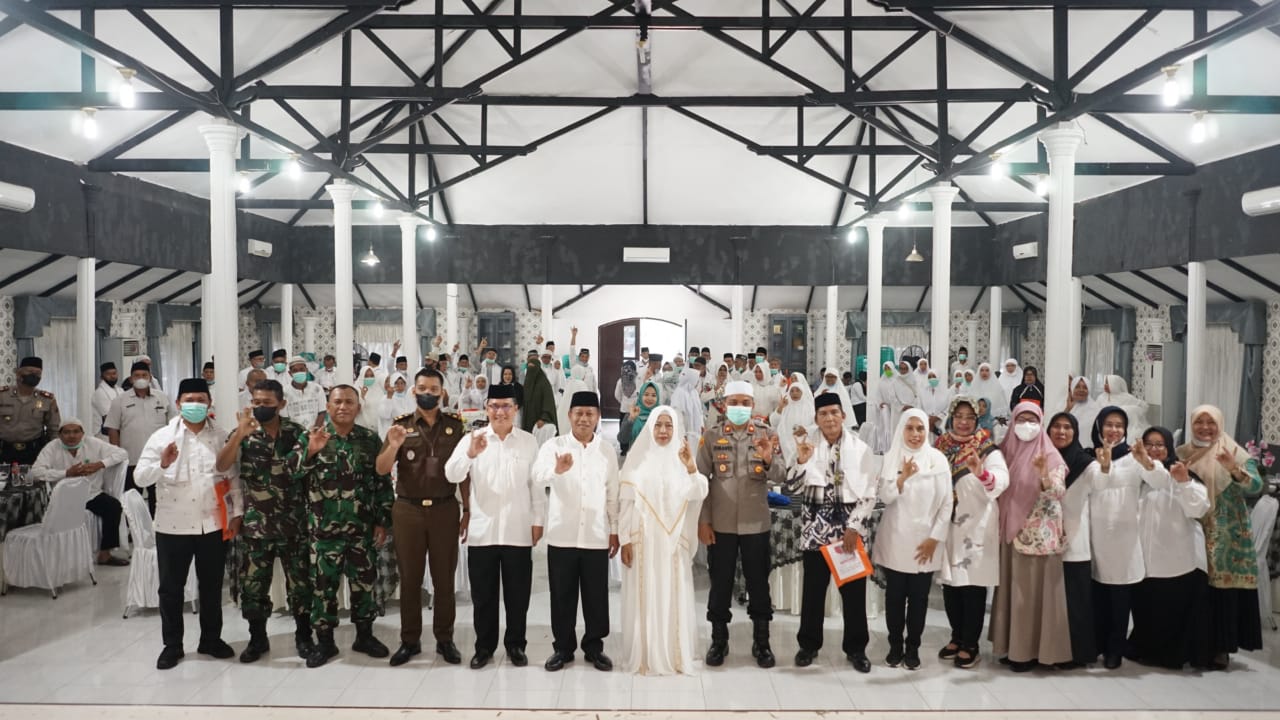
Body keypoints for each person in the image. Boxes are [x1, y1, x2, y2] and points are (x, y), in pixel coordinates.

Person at [134, 378, 242, 670]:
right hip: (173, 526)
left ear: (209, 403)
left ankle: (211, 639)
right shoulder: (161, 437)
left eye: (201, 400)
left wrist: (237, 514)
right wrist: (163, 464)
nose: (195, 405)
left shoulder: (221, 436)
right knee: (171, 589)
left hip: (212, 524)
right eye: (189, 400)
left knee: (211, 586)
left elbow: (233, 478)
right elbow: (140, 478)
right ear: (178, 403)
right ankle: (172, 645)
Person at [214, 380, 315, 663]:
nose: (260, 408)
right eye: (256, 402)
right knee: (254, 587)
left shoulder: (296, 432)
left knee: (301, 585)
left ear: (281, 404)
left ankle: (304, 636)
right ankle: (257, 638)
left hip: (294, 523)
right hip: (256, 525)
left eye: (267, 403)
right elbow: (222, 465)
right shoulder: (244, 432)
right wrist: (239, 435)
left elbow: (306, 473)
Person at [445, 382, 544, 670]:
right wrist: (470, 454)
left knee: (517, 596)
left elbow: (536, 485)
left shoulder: (528, 442)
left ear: (516, 409)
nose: (500, 412)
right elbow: (451, 475)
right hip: (483, 532)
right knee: (483, 597)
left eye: (506, 406)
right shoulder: (473, 439)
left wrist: (538, 520)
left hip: (518, 529)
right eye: (495, 406)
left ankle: (515, 645)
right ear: (486, 409)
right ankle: (484, 647)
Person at [376, 369, 468, 667]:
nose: (428, 393)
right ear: (414, 391)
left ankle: (445, 639)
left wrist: (467, 509)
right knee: (410, 578)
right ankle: (410, 640)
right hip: (408, 510)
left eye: (434, 388)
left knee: (444, 578)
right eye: (423, 388)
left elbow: (465, 472)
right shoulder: (400, 426)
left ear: (442, 392)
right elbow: (381, 468)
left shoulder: (456, 426)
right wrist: (393, 445)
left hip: (444, 509)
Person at [298, 385, 394, 668]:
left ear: (358, 407)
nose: (343, 407)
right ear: (328, 406)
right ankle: (325, 642)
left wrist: (382, 521)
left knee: (364, 585)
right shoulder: (312, 437)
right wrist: (310, 451)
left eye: (349, 402)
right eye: (337, 402)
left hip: (361, 530)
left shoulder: (369, 439)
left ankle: (364, 636)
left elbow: (382, 481)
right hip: (323, 531)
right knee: (323, 589)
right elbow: (292, 473)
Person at [786, 393, 878, 672]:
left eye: (834, 412)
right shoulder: (806, 445)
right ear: (816, 419)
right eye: (823, 414)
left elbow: (869, 492)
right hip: (815, 529)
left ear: (844, 416)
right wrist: (802, 462)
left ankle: (856, 649)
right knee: (813, 593)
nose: (829, 418)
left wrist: (854, 527)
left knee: (853, 594)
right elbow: (792, 487)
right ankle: (808, 645)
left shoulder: (860, 449)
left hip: (848, 531)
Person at [697, 380, 785, 669]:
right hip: (720, 524)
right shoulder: (711, 436)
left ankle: (762, 642)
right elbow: (700, 482)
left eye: (745, 403)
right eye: (733, 402)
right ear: (724, 405)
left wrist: (768, 458)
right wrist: (704, 521)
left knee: (758, 584)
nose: (739, 408)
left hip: (755, 524)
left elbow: (781, 475)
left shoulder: (766, 434)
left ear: (753, 405)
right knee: (720, 584)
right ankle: (718, 640)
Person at [533, 391, 620, 672]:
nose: (584, 419)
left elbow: (613, 493)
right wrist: (556, 470)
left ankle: (594, 647)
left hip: (596, 535)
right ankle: (563, 648)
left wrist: (615, 529)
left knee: (596, 596)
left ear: (598, 417)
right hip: (563, 534)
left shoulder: (606, 450)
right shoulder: (554, 446)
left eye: (589, 413)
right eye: (579, 413)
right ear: (569, 415)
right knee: (562, 596)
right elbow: (537, 476)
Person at [618, 407, 708, 675]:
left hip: (672, 542)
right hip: (643, 540)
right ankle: (645, 655)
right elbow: (625, 504)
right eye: (658, 425)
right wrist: (624, 539)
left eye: (669, 425)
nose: (663, 431)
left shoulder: (682, 460)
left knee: (672, 593)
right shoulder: (637, 460)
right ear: (650, 428)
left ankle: (673, 654)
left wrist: (691, 468)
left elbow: (699, 491)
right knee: (645, 594)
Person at [1176, 405, 1264, 671]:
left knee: (1220, 589)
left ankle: (1220, 648)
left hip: (1227, 531)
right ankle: (1193, 644)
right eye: (1199, 422)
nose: (1205, 427)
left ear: (1220, 424)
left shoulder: (1235, 452)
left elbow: (1256, 486)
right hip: (1192, 526)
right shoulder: (1182, 453)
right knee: (1194, 584)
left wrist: (1234, 469)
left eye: (1211, 422)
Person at [989, 402, 1071, 671]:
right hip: (1010, 534)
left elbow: (1058, 492)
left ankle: (1039, 653)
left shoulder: (1049, 455)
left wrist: (1043, 475)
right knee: (1015, 594)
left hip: (1040, 538)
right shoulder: (1004, 452)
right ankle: (1015, 650)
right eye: (1021, 419)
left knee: (1037, 596)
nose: (1027, 425)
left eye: (1032, 420)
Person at [935, 395, 1010, 669]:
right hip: (949, 525)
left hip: (977, 525)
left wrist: (981, 474)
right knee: (950, 583)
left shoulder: (987, 449)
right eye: (959, 417)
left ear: (977, 420)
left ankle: (971, 643)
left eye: (969, 417)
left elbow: (1002, 481)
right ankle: (956, 637)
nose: (964, 422)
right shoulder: (941, 446)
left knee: (972, 586)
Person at [874, 409, 951, 670]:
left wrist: (935, 538)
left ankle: (913, 648)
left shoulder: (937, 460)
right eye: (910, 428)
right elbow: (885, 497)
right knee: (895, 598)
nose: (915, 434)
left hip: (926, 541)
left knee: (919, 600)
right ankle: (895, 646)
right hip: (896, 539)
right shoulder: (891, 457)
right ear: (901, 430)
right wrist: (902, 477)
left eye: (920, 428)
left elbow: (947, 503)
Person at [1128, 426, 1209, 670]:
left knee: (1172, 610)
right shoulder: (1138, 476)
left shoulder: (1181, 474)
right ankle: (1144, 650)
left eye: (1160, 444)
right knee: (1146, 608)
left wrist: (1183, 482)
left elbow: (1198, 508)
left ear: (1169, 447)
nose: (1154, 449)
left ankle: (1172, 656)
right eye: (1149, 444)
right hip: (1144, 558)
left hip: (1177, 558)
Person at [1088, 406, 1163, 670]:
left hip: (1124, 538)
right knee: (1098, 595)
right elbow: (1094, 486)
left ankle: (1115, 650)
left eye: (1119, 425)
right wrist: (1104, 466)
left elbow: (1160, 481)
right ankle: (1095, 645)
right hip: (1096, 535)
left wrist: (1146, 462)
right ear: (1099, 427)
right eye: (1109, 424)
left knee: (1120, 597)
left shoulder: (1134, 457)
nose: (1114, 430)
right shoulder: (1090, 456)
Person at [32, 417, 130, 566]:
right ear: (60, 435)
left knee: (114, 507)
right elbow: (36, 472)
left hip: (91, 494)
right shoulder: (52, 447)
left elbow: (122, 453)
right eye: (67, 432)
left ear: (82, 433)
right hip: (64, 498)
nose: (71, 436)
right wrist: (66, 473)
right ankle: (60, 555)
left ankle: (105, 554)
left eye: (76, 432)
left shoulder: (93, 443)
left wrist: (100, 464)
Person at [1047, 412, 1099, 668]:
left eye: (1067, 427)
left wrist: (1106, 467)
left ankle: (1077, 654)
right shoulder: (1043, 460)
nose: (1061, 431)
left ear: (1075, 432)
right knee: (1052, 602)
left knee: (1075, 602)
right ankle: (1050, 651)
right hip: (1045, 541)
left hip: (1075, 540)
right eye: (1056, 426)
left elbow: (1102, 482)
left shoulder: (1085, 463)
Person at [106, 361, 174, 516]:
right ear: (131, 379)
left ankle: (156, 526)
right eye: (137, 375)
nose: (141, 378)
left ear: (150, 377)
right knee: (132, 499)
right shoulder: (120, 400)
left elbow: (172, 425)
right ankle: (134, 528)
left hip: (158, 459)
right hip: (131, 459)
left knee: (158, 499)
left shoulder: (162, 398)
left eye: (144, 375)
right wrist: (117, 455)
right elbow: (113, 429)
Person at [0, 356, 60, 465]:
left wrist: (54, 453)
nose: (34, 376)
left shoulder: (47, 399)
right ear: (18, 374)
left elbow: (54, 430)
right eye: (30, 372)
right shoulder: (2, 395)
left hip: (34, 451)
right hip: (4, 449)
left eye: (38, 373)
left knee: (34, 476)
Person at [770, 373, 815, 467]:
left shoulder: (809, 407)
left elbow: (816, 425)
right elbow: (773, 422)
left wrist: (806, 429)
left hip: (804, 443)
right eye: (792, 391)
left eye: (798, 390)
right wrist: (780, 408)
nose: (794, 393)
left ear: (802, 392)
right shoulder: (786, 405)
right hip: (785, 444)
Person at [1098, 375, 1149, 441]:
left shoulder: (1127, 397)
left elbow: (1145, 406)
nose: (1105, 385)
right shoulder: (1101, 397)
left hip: (1125, 426)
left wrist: (1128, 410)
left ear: (1114, 384)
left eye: (1108, 383)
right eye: (1105, 383)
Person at [520, 360, 558, 446]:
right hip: (527, 418)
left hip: (539, 420)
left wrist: (544, 418)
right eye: (529, 367)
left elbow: (548, 402)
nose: (531, 370)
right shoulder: (527, 381)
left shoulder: (544, 383)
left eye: (533, 367)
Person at [282, 356, 326, 427]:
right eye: (295, 370)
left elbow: (322, 411)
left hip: (316, 431)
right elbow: (285, 418)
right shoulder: (284, 392)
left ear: (307, 370)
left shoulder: (317, 388)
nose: (299, 372)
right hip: (294, 432)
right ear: (290, 373)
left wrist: (315, 430)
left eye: (301, 369)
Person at [669, 367, 705, 450]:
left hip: (696, 433)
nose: (698, 382)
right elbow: (677, 417)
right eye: (697, 379)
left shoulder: (694, 392)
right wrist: (682, 435)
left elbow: (699, 411)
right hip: (685, 435)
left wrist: (701, 425)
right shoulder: (679, 393)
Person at [1064, 376, 1102, 444]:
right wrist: (1068, 409)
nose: (1081, 390)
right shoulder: (1063, 405)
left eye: (1085, 387)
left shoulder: (1096, 409)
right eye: (1077, 387)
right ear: (1072, 388)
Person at [378, 373, 416, 438]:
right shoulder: (385, 398)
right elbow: (385, 415)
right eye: (396, 383)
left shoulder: (408, 398)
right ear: (392, 384)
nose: (399, 386)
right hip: (391, 434)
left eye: (402, 383)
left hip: (406, 433)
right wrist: (389, 398)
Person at [91, 362, 123, 440]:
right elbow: (108, 417)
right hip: (104, 434)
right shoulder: (99, 393)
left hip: (119, 430)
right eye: (108, 374)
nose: (112, 376)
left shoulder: (120, 390)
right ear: (102, 376)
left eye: (114, 373)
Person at [615, 361, 640, 454]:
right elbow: (617, 395)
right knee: (628, 429)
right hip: (634, 410)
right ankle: (629, 448)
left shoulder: (620, 381)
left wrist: (623, 402)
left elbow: (617, 395)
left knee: (624, 429)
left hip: (625, 409)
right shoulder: (638, 380)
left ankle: (624, 449)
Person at [917, 370, 950, 438]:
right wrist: (928, 419)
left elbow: (948, 407)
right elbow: (919, 406)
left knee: (940, 441)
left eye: (934, 376)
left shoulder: (946, 392)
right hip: (927, 422)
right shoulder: (923, 391)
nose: (932, 379)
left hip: (940, 422)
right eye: (929, 377)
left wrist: (938, 417)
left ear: (938, 377)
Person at [569, 327, 598, 393]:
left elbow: (594, 385)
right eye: (583, 356)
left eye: (586, 357)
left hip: (589, 395)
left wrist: (595, 396)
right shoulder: (574, 365)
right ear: (579, 356)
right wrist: (574, 335)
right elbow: (572, 349)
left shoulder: (590, 368)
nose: (585, 358)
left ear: (589, 357)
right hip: (577, 395)